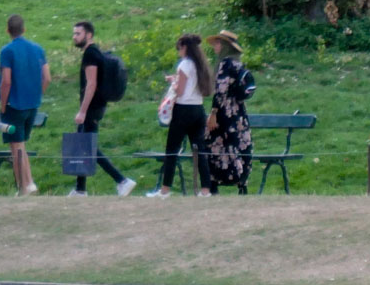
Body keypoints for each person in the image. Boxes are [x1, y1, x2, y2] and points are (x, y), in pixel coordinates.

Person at [69, 21, 136, 197]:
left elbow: (91, 84)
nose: (75, 37)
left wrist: (82, 111)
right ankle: (80, 189)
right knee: (83, 145)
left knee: (88, 147)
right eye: (74, 34)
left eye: (78, 34)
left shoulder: (90, 54)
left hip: (92, 107)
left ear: (89, 35)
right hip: (97, 106)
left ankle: (122, 180)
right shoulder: (96, 52)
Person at [148, 33, 216, 198]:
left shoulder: (184, 64)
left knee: (172, 149)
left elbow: (180, 91)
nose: (179, 52)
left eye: (179, 49)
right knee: (199, 150)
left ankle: (165, 189)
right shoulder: (200, 65)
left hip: (183, 110)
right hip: (198, 109)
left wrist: (173, 82)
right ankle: (205, 189)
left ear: (185, 47)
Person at [0, 14, 49, 196]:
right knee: (21, 145)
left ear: (8, 30)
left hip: (14, 105)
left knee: (16, 147)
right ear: (24, 29)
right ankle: (27, 184)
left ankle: (25, 186)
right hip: (32, 105)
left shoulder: (7, 51)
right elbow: (47, 78)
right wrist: (37, 95)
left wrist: (3, 104)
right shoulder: (38, 49)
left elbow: (6, 81)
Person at [203, 30, 256, 194]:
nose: (215, 47)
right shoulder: (237, 64)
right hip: (238, 112)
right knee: (237, 145)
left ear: (225, 46)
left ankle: (214, 183)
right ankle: (241, 181)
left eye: (218, 44)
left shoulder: (225, 64)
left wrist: (213, 113)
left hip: (225, 113)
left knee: (214, 144)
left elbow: (221, 91)